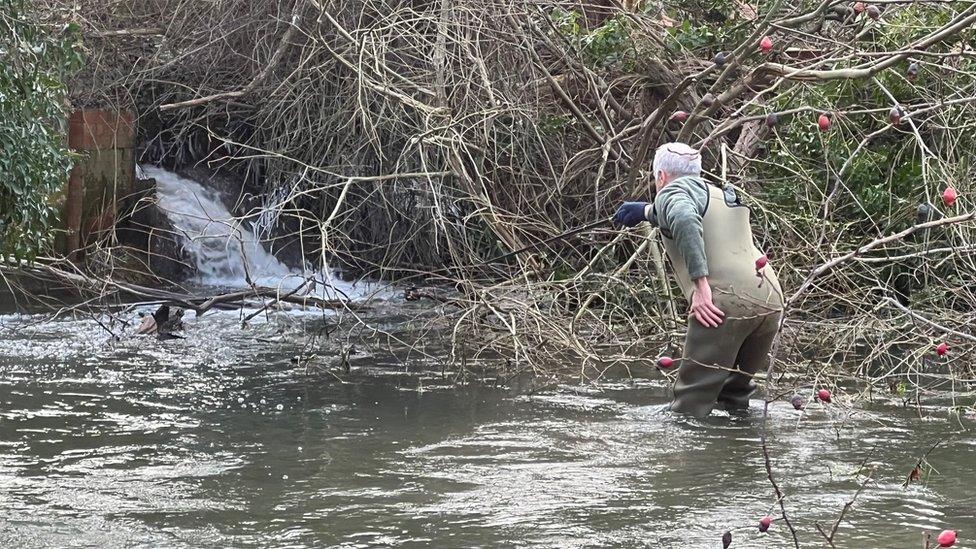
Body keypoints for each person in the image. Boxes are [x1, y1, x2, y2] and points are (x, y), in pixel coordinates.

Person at [613, 142, 784, 417]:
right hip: (768, 300)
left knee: (689, 409)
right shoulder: (719, 193)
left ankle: (690, 460)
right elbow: (689, 211)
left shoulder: (671, 192)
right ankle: (739, 456)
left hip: (725, 303)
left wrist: (701, 287)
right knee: (733, 396)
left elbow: (683, 216)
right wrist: (646, 211)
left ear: (661, 177)